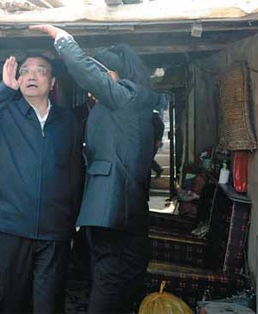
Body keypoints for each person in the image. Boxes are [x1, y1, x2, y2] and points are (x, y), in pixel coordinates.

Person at [30, 25, 158, 313]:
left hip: (116, 214)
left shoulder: (127, 97)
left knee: (109, 285)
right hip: (113, 213)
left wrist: (62, 38)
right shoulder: (119, 105)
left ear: (112, 75)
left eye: (100, 76)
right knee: (111, 282)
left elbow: (85, 71)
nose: (92, 86)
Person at [0, 54, 82, 313]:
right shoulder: (5, 114)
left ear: (52, 82)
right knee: (12, 300)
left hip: (54, 229)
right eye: (25, 71)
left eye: (40, 71)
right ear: (18, 79)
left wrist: (72, 222)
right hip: (11, 226)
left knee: (49, 303)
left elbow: (75, 172)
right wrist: (4, 90)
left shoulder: (67, 121)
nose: (31, 76)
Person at [152, 111, 165, 178]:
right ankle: (158, 169)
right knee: (148, 158)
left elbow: (161, 126)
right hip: (151, 141)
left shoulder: (153, 115)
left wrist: (158, 139)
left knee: (148, 159)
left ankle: (158, 169)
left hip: (154, 141)